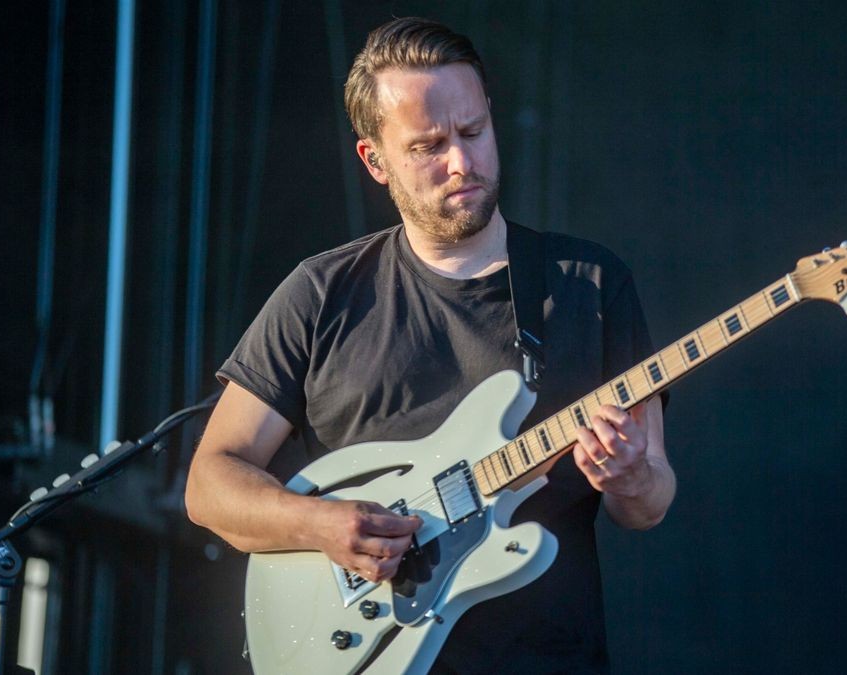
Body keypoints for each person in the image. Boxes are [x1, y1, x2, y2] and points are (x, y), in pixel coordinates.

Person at [184, 16, 676, 674]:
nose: (463, 162)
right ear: (375, 159)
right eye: (428, 145)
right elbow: (211, 484)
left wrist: (633, 476)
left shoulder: (590, 284)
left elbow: (649, 501)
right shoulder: (322, 293)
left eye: (474, 131)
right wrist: (323, 525)